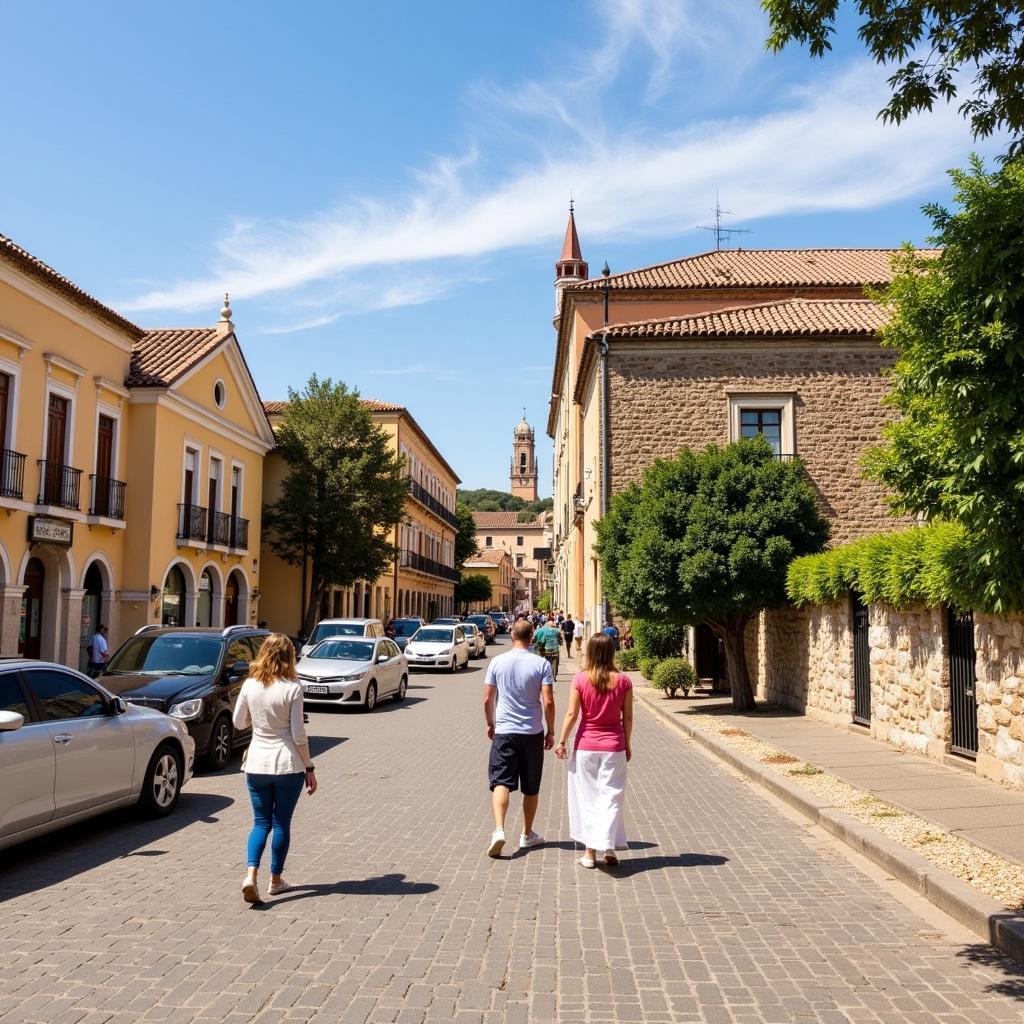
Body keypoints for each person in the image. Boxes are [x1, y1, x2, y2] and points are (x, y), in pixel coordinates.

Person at [232, 633, 318, 903]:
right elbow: (298, 734)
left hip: (256, 762)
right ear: (289, 656)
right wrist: (309, 766)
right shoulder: (293, 687)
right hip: (287, 764)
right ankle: (276, 881)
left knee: (260, 822)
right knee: (281, 823)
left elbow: (237, 722)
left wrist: (259, 722)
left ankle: (250, 875)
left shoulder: (250, 684)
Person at [555, 633, 633, 868]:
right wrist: (627, 744)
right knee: (611, 797)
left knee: (587, 798)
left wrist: (561, 741)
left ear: (590, 652)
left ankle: (590, 853)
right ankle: (609, 849)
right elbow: (627, 717)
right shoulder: (623, 681)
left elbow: (572, 714)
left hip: (586, 745)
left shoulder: (580, 680)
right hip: (614, 745)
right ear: (612, 652)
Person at [483, 618, 555, 857]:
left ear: (512, 636)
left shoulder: (497, 662)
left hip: (505, 731)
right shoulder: (541, 664)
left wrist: (490, 723)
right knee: (531, 787)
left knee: (501, 782)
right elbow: (548, 701)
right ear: (532, 637)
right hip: (532, 731)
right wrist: (551, 730)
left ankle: (499, 830)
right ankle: (527, 833)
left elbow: (487, 698)